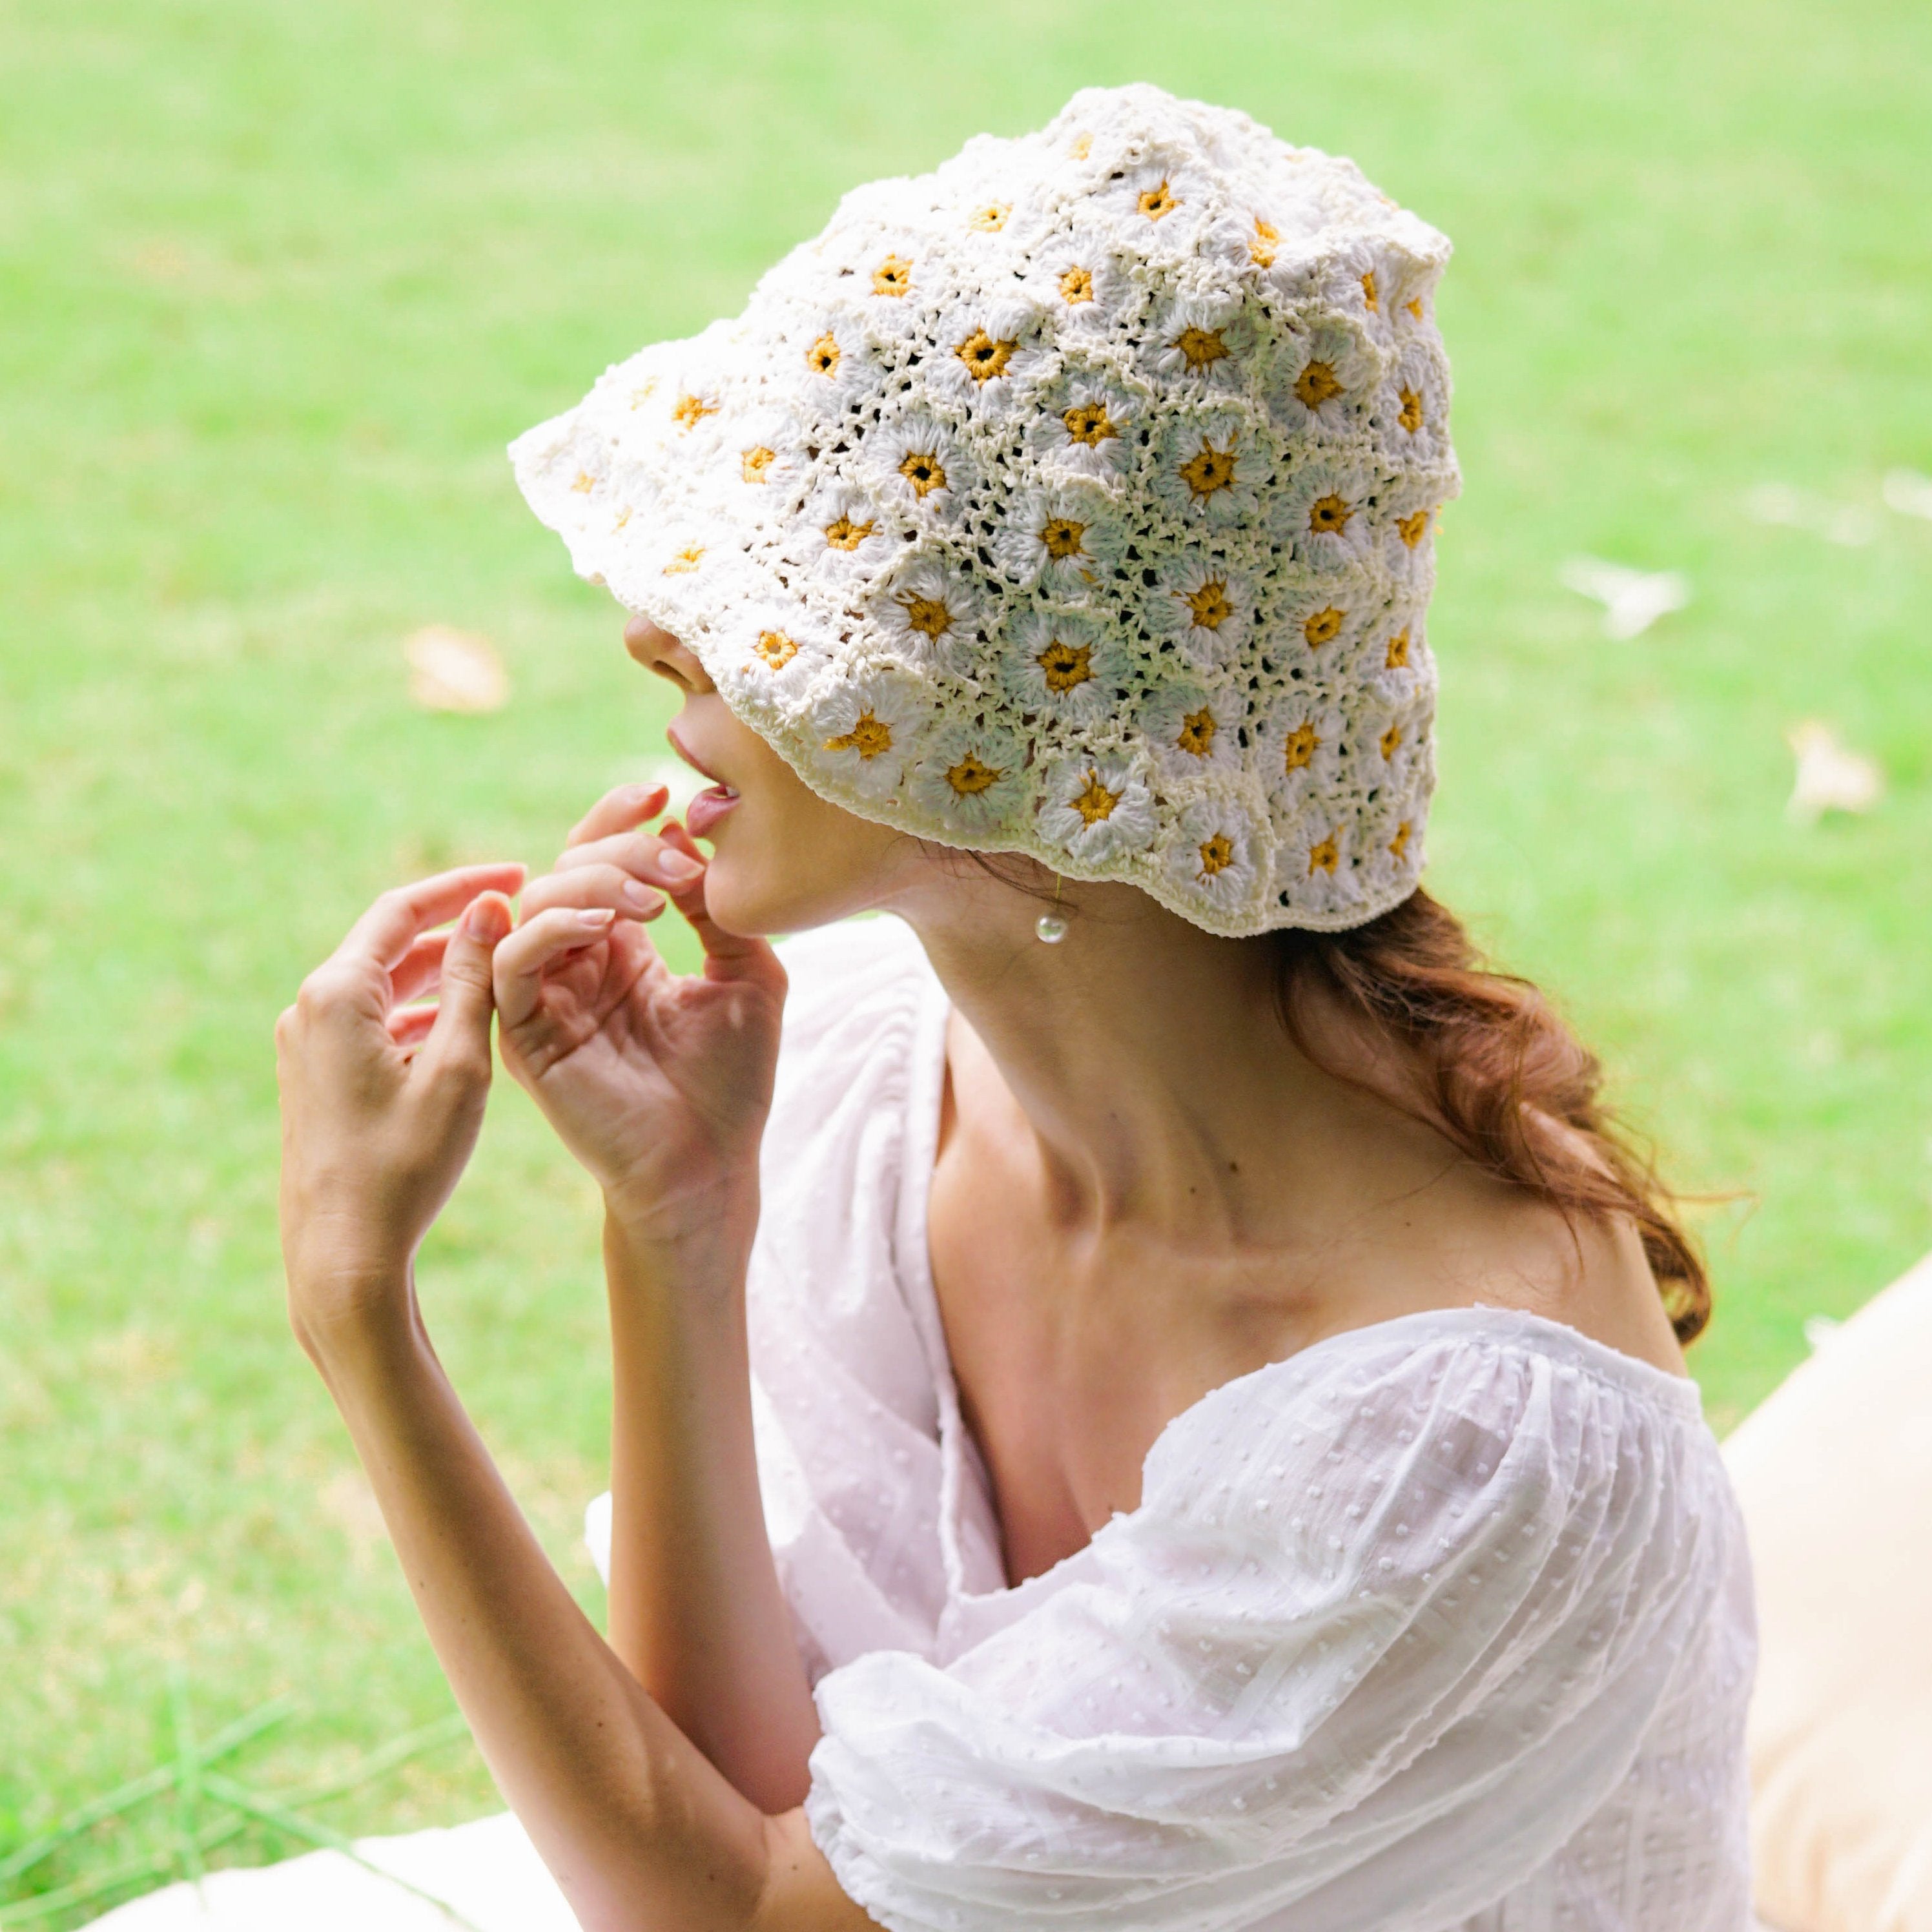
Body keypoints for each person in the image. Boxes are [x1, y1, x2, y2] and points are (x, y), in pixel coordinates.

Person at [274, 85, 1754, 1932]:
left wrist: (360, 1302)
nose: (656, 634)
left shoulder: (1452, 1456)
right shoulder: (880, 1063)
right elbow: (754, 1807)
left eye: (791, 608)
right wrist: (679, 1220)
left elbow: (730, 1912)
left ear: (1061, 760)